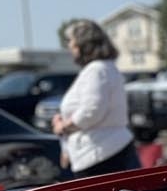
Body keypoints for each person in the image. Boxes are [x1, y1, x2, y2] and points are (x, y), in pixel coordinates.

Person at [51, 19, 137, 177]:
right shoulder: (104, 68)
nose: (69, 46)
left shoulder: (97, 70)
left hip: (102, 156)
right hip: (105, 152)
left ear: (84, 44)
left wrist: (62, 126)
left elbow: (91, 111)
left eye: (71, 41)